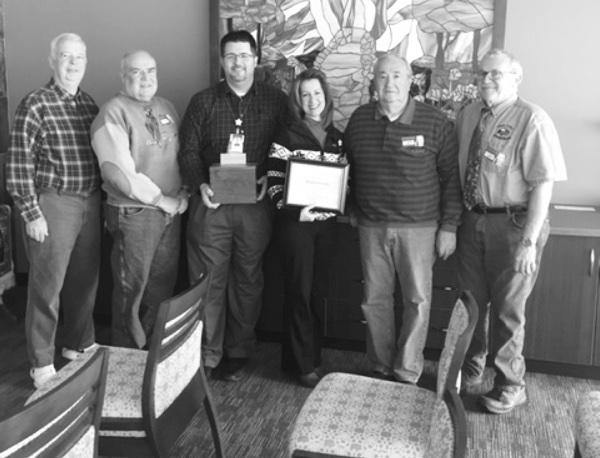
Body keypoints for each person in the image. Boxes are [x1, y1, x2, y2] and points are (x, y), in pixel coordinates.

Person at [456, 49, 567, 414]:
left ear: (515, 78)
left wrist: (529, 242)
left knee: (507, 310)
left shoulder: (532, 119)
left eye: (496, 74)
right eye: (482, 73)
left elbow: (544, 186)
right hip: (473, 220)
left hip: (514, 226)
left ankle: (510, 384)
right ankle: (471, 368)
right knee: (471, 303)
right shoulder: (469, 114)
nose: (486, 80)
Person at [344, 54, 462, 384]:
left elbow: (450, 179)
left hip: (420, 228)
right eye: (382, 76)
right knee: (374, 301)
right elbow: (347, 169)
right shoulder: (360, 120)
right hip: (371, 226)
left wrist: (449, 227)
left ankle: (407, 369)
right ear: (374, 82)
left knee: (418, 301)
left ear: (411, 81)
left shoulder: (436, 122)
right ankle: (381, 366)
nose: (390, 83)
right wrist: (353, 207)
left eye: (397, 76)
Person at [179, 30, 288, 381]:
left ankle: (238, 349)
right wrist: (200, 184)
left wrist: (269, 179)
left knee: (247, 279)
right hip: (212, 205)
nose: (237, 63)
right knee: (208, 280)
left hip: (255, 206)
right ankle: (209, 352)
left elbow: (286, 150)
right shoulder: (203, 101)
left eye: (244, 55)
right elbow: (189, 152)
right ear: (222, 60)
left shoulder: (276, 101)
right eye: (230, 56)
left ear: (256, 59)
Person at [7, 33, 101, 388]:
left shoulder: (90, 104)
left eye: (79, 56)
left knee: (84, 282)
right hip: (54, 203)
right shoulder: (35, 103)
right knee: (47, 287)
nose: (73, 63)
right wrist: (32, 214)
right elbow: (18, 165)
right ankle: (41, 361)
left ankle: (77, 344)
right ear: (52, 60)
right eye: (65, 56)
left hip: (90, 202)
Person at [91, 50, 188, 349]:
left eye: (151, 71)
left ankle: (150, 351)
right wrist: (163, 200)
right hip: (134, 213)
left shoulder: (166, 106)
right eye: (136, 72)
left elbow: (179, 156)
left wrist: (183, 192)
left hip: (170, 212)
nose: (145, 78)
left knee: (161, 285)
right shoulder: (112, 112)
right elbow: (121, 174)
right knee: (132, 289)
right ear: (122, 75)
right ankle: (125, 356)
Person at [267, 69, 344, 388]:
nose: (313, 100)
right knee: (298, 292)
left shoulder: (338, 136)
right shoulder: (286, 135)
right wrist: (298, 211)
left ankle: (308, 357)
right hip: (296, 227)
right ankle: (301, 365)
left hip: (326, 228)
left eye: (317, 93)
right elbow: (273, 185)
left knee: (317, 293)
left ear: (326, 96)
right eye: (305, 95)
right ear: (297, 101)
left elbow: (344, 181)